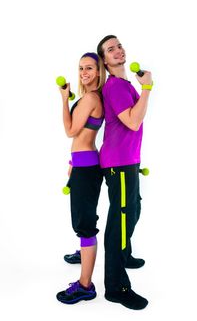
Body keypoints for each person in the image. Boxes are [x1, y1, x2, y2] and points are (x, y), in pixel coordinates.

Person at [96, 35, 153, 310]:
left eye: (118, 46)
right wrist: (148, 89)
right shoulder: (115, 86)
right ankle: (115, 286)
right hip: (118, 163)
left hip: (127, 160)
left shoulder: (123, 84)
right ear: (105, 61)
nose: (118, 51)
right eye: (111, 49)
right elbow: (132, 121)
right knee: (119, 223)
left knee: (134, 210)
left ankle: (124, 253)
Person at [56, 52, 105, 304]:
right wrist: (72, 161)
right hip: (83, 164)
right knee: (82, 219)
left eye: (89, 68)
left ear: (98, 72)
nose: (84, 72)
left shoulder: (91, 98)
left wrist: (64, 100)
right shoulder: (89, 97)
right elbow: (80, 137)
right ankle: (85, 252)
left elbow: (71, 131)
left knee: (84, 224)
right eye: (81, 68)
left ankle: (86, 286)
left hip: (87, 168)